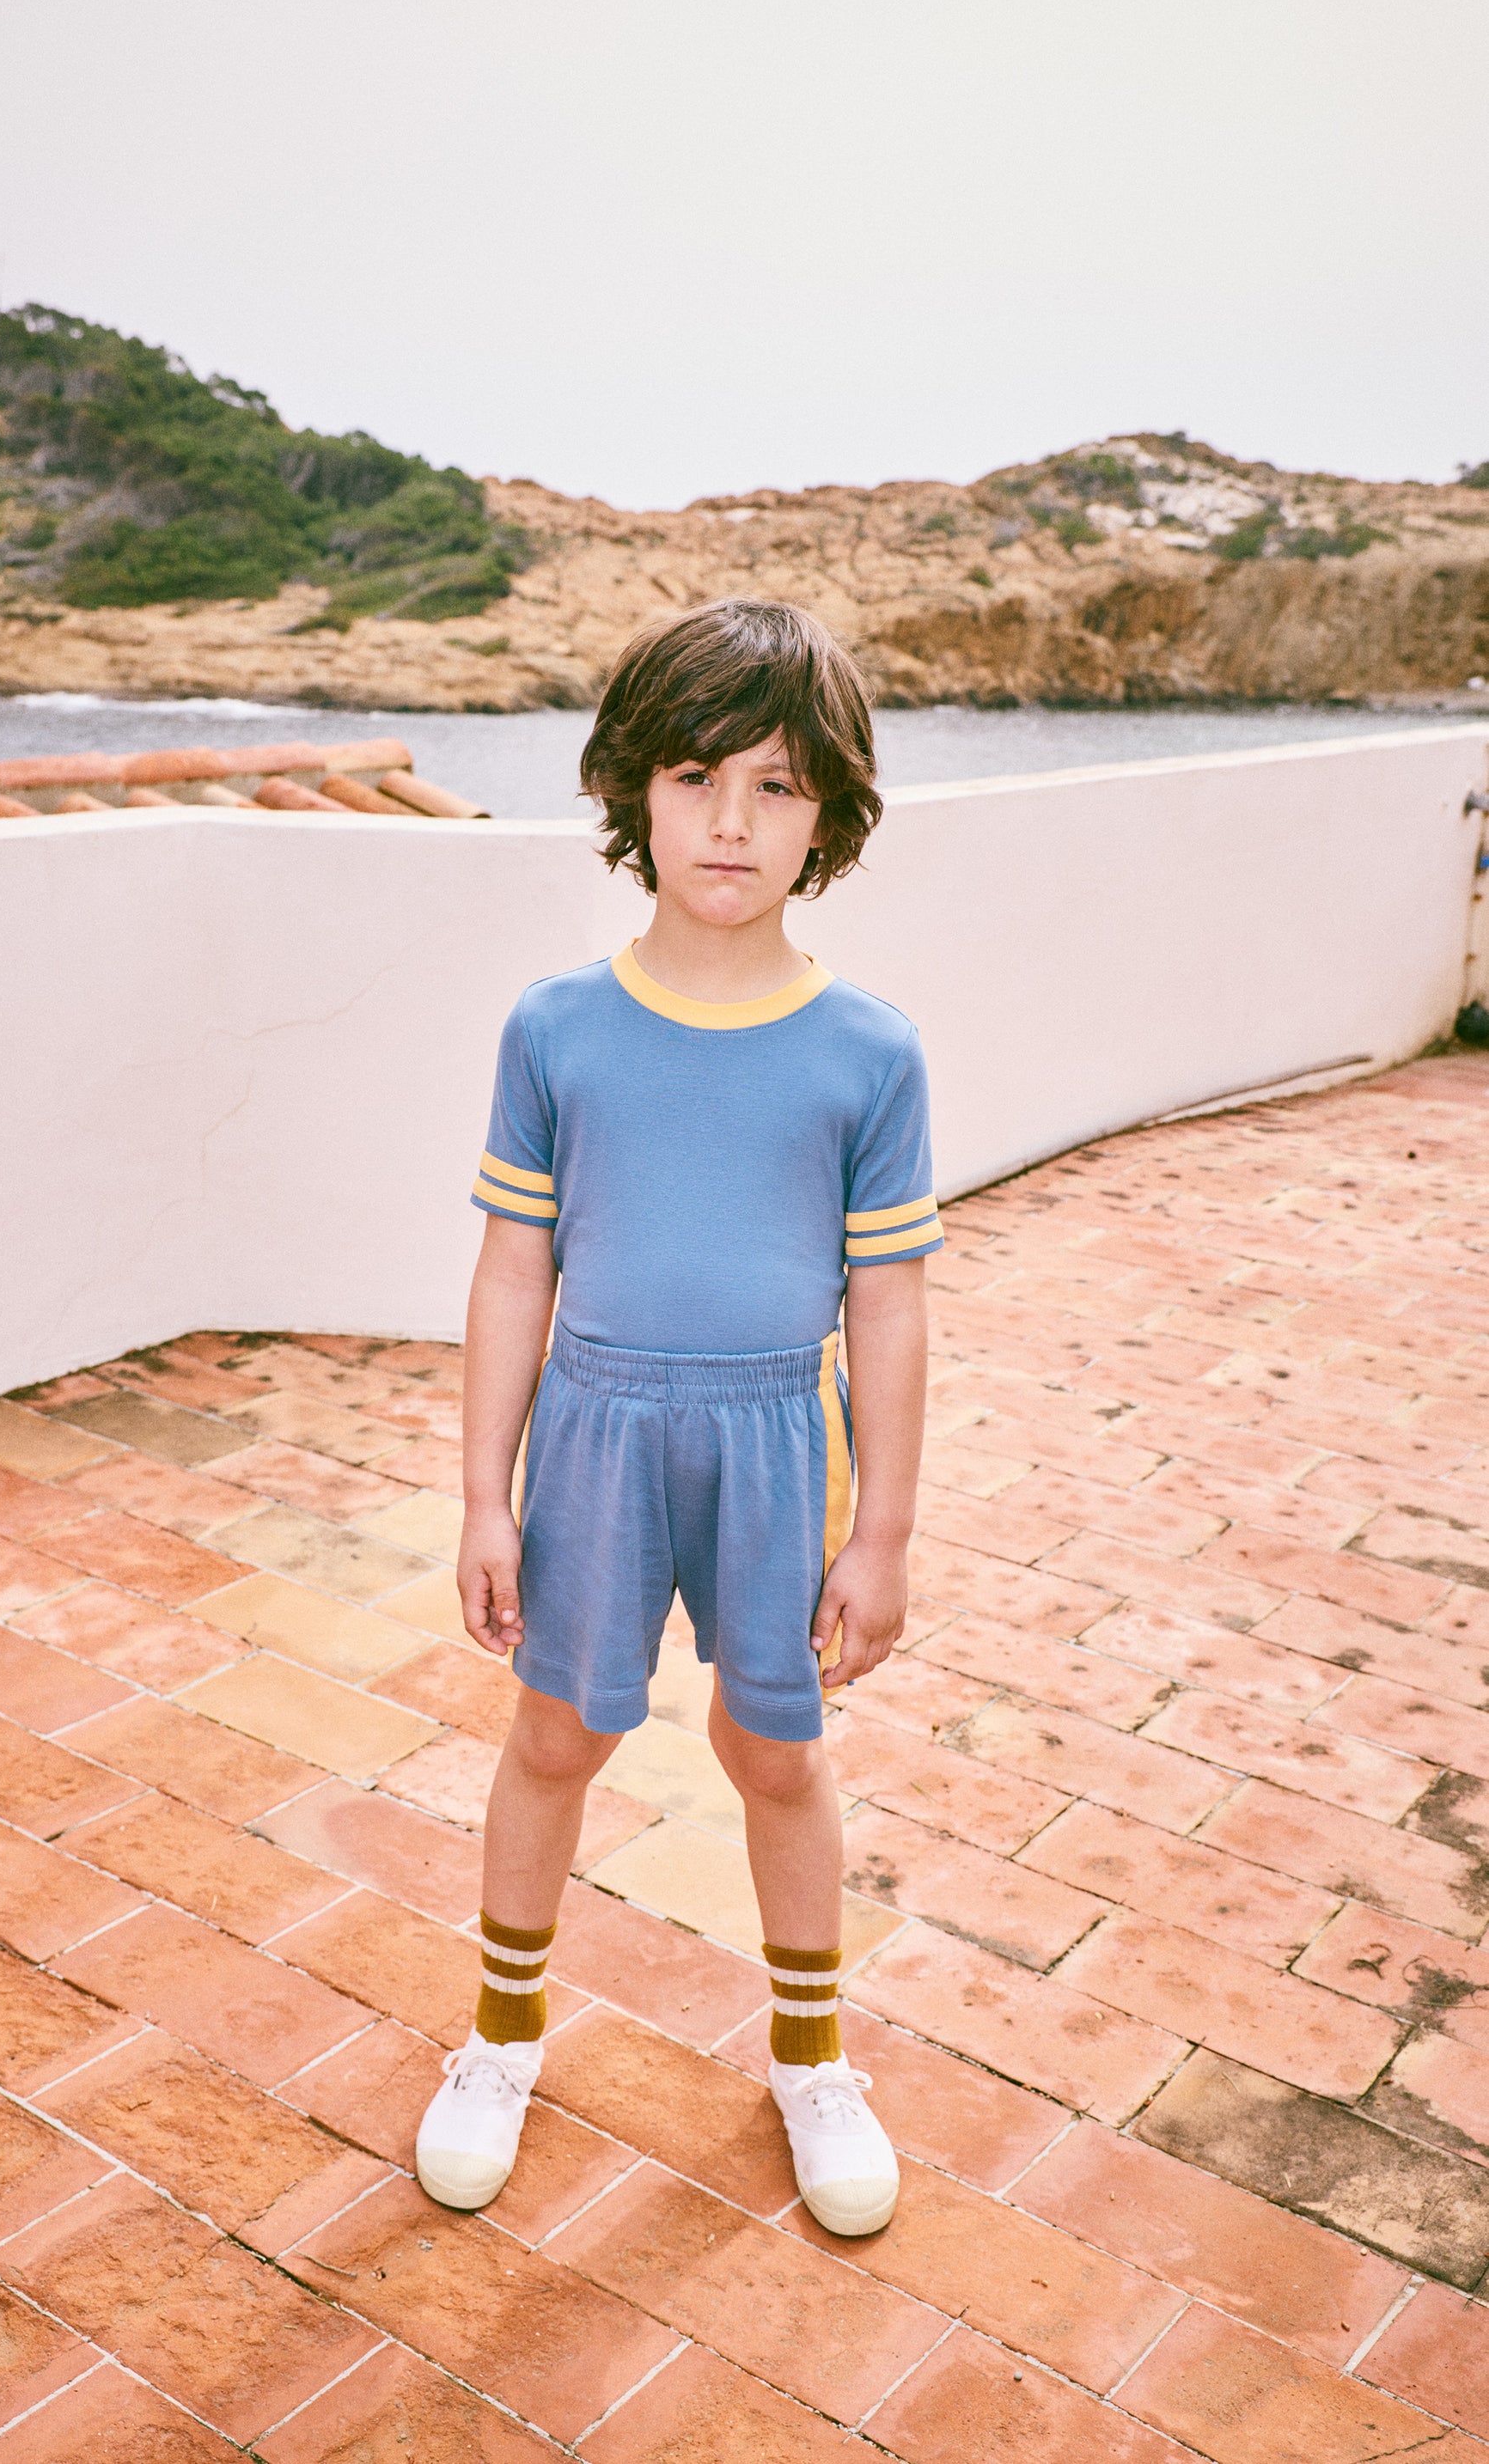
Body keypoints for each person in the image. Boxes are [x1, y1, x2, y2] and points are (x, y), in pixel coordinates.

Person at [415, 597, 938, 2235]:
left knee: (775, 1750)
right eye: (697, 775)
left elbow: (889, 1303)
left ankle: (812, 2058)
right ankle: (501, 2037)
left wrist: (883, 1532)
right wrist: (485, 1495)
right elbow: (515, 1270)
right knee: (554, 1735)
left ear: (827, 816)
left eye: (776, 786)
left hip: (779, 1440)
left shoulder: (868, 1052)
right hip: (597, 1433)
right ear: (631, 790)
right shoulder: (556, 1028)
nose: (730, 821)